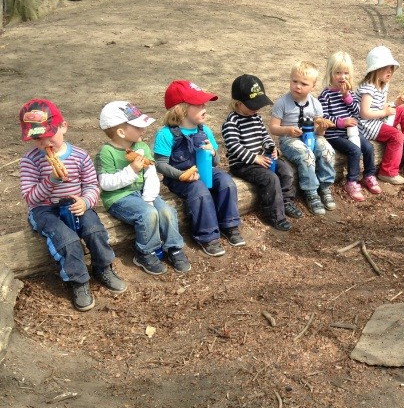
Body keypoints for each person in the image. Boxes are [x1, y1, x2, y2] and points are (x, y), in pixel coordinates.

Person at [18, 99, 127, 312]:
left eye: (49, 134)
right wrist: (51, 180)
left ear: (64, 127)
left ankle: (103, 267)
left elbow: (91, 185)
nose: (44, 142)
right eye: (37, 138)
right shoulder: (30, 161)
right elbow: (31, 198)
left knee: (94, 230)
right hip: (44, 209)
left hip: (75, 203)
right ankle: (78, 280)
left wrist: (86, 201)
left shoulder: (79, 156)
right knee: (67, 240)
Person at [95, 101, 191, 275]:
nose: (143, 131)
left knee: (167, 211)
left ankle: (174, 247)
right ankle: (146, 252)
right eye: (139, 127)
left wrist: (149, 198)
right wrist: (131, 171)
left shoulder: (142, 147)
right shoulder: (106, 152)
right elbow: (105, 184)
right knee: (148, 214)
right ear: (121, 132)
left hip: (143, 192)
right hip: (119, 197)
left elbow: (151, 175)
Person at [153, 80, 245, 257]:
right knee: (200, 190)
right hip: (179, 177)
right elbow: (161, 164)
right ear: (182, 109)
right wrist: (181, 175)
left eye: (204, 103)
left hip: (204, 171)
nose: (205, 107)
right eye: (199, 104)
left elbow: (216, 162)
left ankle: (230, 224)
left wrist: (212, 152)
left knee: (226, 182)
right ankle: (207, 235)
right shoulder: (165, 134)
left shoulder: (205, 130)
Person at [222, 74, 304, 231]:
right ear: (238, 103)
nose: (256, 108)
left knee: (286, 170)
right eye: (252, 105)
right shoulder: (231, 123)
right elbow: (234, 146)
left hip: (262, 158)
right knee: (270, 179)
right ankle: (275, 215)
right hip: (243, 164)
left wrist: (272, 149)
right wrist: (255, 158)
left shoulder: (256, 118)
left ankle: (286, 201)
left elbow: (265, 136)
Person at [356, 46, 404, 186]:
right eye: (386, 68)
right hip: (367, 125)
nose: (390, 71)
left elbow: (380, 106)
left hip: (378, 118)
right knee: (397, 135)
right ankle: (387, 172)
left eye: (391, 68)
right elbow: (364, 113)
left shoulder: (382, 85)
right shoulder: (368, 88)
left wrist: (395, 104)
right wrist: (385, 112)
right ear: (375, 69)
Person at [269, 61, 336, 215]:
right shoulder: (282, 103)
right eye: (294, 81)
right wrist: (287, 129)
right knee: (307, 155)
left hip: (311, 136)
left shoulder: (315, 104)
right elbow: (273, 127)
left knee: (327, 150)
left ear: (313, 86)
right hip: (289, 140)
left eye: (303, 84)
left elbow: (319, 132)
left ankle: (325, 187)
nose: (297, 86)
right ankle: (311, 191)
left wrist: (321, 129)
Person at [318, 51, 381, 201]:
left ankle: (369, 175)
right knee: (354, 150)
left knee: (369, 147)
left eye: (346, 73)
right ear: (330, 73)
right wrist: (341, 122)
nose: (342, 77)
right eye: (338, 73)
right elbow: (323, 118)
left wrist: (347, 98)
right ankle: (352, 181)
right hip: (334, 135)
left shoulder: (349, 93)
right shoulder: (325, 95)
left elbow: (357, 112)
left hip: (352, 132)